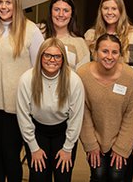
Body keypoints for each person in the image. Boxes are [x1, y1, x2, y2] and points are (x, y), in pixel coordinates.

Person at [0, 0, 43, 182]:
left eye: (8, 2)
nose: (3, 6)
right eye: (0, 2)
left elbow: (38, 69)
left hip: (18, 106)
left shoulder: (31, 30)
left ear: (16, 5)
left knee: (11, 155)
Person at [16, 38, 85, 182]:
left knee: (62, 177)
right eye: (47, 55)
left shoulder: (74, 81)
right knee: (38, 176)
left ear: (63, 59)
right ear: (40, 56)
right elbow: (23, 116)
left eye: (57, 56)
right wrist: (34, 148)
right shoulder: (27, 79)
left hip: (63, 133)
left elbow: (76, 118)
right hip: (37, 132)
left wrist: (67, 149)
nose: (52, 60)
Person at [78, 34, 133, 182]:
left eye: (115, 52)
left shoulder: (130, 77)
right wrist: (91, 144)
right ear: (95, 52)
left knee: (116, 175)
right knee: (98, 175)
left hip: (122, 137)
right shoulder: (83, 74)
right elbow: (83, 112)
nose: (110, 56)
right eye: (105, 51)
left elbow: (131, 116)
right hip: (95, 137)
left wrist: (122, 148)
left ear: (120, 54)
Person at [85, 0, 133, 74]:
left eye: (114, 9)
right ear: (101, 11)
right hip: (99, 84)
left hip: (128, 84)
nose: (109, 12)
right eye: (106, 8)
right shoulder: (91, 35)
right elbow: (86, 68)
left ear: (121, 11)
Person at [40, 0, 90, 70]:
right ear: (50, 12)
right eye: (56, 10)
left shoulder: (79, 43)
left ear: (72, 14)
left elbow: (83, 74)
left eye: (66, 11)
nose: (61, 14)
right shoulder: (38, 34)